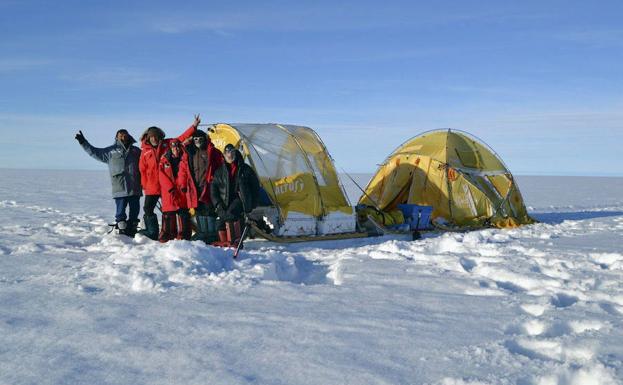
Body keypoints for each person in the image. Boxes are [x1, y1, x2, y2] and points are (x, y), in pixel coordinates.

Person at [138, 115, 199, 240]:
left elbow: (181, 138)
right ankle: (152, 231)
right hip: (153, 186)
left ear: (160, 135)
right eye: (151, 137)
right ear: (148, 138)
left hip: (168, 184)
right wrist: (144, 185)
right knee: (148, 208)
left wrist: (193, 127)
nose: (154, 138)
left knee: (174, 208)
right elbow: (142, 170)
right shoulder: (145, 151)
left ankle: (179, 231)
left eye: (156, 136)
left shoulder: (167, 144)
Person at [75, 129, 142, 237]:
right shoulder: (110, 151)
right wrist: (84, 142)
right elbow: (94, 152)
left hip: (135, 186)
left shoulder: (136, 151)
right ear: (116, 137)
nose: (123, 136)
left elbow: (147, 163)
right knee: (120, 211)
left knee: (135, 210)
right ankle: (122, 229)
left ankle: (132, 228)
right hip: (119, 187)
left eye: (125, 134)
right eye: (120, 135)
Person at [210, 144, 260, 247]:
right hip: (224, 201)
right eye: (227, 153)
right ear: (224, 155)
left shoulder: (245, 169)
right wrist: (217, 203)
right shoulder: (219, 172)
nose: (230, 155)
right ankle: (225, 243)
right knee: (221, 219)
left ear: (236, 153)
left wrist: (252, 203)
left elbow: (255, 187)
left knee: (231, 214)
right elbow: (213, 189)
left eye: (232, 152)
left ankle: (235, 241)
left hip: (240, 199)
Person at [184, 129, 224, 243]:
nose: (198, 141)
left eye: (200, 139)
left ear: (205, 139)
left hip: (209, 186)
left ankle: (211, 234)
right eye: (195, 139)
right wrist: (183, 184)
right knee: (198, 209)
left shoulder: (213, 151)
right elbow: (184, 169)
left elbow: (220, 167)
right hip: (194, 186)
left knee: (209, 210)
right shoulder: (189, 152)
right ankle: (202, 232)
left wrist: (216, 181)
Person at [157, 139, 196, 242]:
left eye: (178, 147)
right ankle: (167, 234)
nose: (176, 149)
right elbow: (161, 175)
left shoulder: (185, 158)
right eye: (174, 147)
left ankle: (184, 234)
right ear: (170, 147)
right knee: (168, 213)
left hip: (181, 190)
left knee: (183, 212)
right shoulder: (164, 159)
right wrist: (170, 188)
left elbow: (184, 173)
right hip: (168, 191)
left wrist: (181, 186)